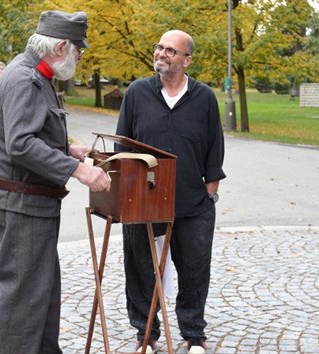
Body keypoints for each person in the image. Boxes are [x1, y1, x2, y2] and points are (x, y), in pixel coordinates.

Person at [0, 10, 111, 354]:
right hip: (22, 204)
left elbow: (28, 132)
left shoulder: (35, 74)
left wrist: (67, 148)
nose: (79, 59)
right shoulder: (26, 79)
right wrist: (78, 170)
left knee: (41, 292)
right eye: (78, 52)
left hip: (28, 202)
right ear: (61, 46)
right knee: (23, 298)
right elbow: (21, 144)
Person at [114, 30, 226, 354]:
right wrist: (126, 195)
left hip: (192, 203)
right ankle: (146, 334)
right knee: (140, 269)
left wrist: (211, 191)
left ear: (187, 59)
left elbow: (214, 146)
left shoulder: (204, 98)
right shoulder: (137, 93)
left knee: (193, 270)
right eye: (159, 48)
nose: (161, 54)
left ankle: (193, 334)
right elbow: (123, 144)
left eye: (171, 51)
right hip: (143, 203)